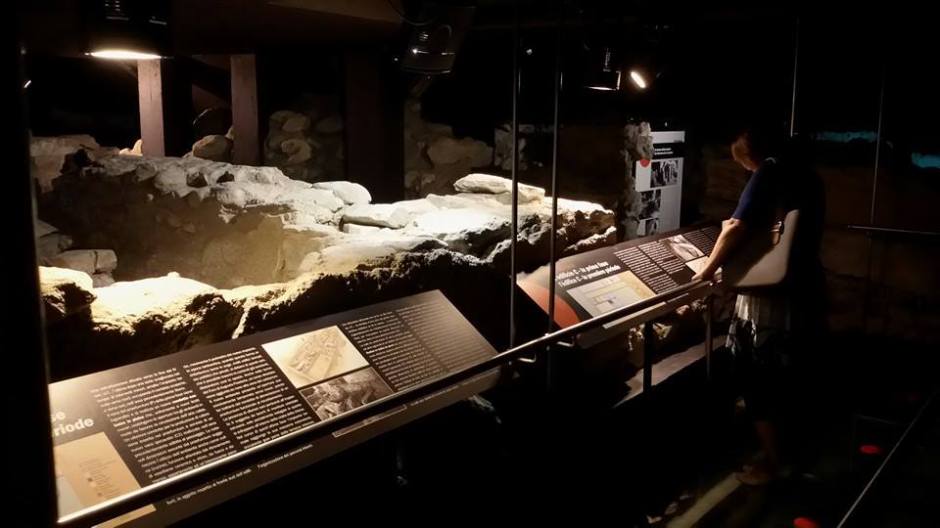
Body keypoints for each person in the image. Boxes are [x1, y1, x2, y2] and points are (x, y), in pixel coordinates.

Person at [692, 123, 826, 485]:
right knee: (788, 376)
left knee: (758, 376)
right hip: (801, 287)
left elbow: (737, 225)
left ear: (748, 148)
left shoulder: (769, 170)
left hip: (768, 294)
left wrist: (707, 269)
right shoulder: (809, 176)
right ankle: (791, 452)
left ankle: (775, 461)